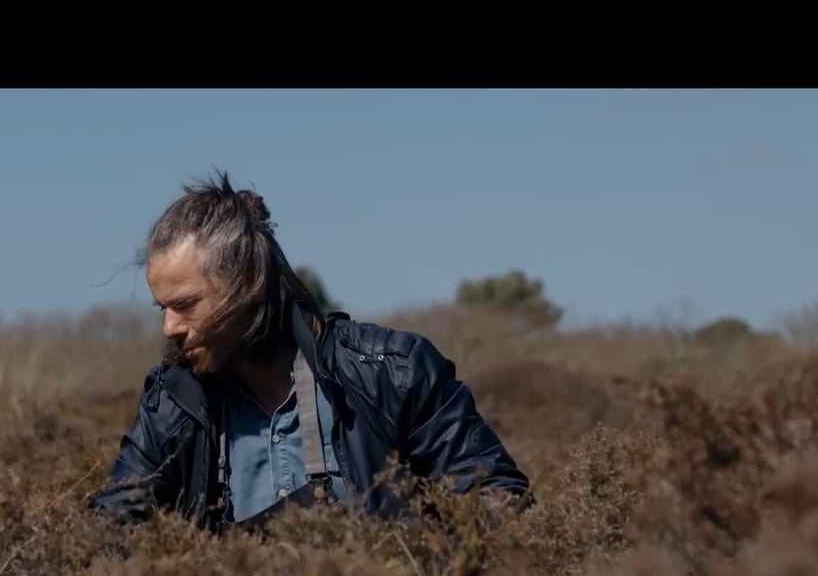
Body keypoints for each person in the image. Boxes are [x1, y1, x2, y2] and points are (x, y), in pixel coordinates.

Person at [88, 170, 530, 532]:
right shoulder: (174, 402)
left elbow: (496, 495)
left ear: (249, 284)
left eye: (185, 305)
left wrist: (426, 564)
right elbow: (108, 527)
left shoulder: (391, 372)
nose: (169, 327)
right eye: (162, 308)